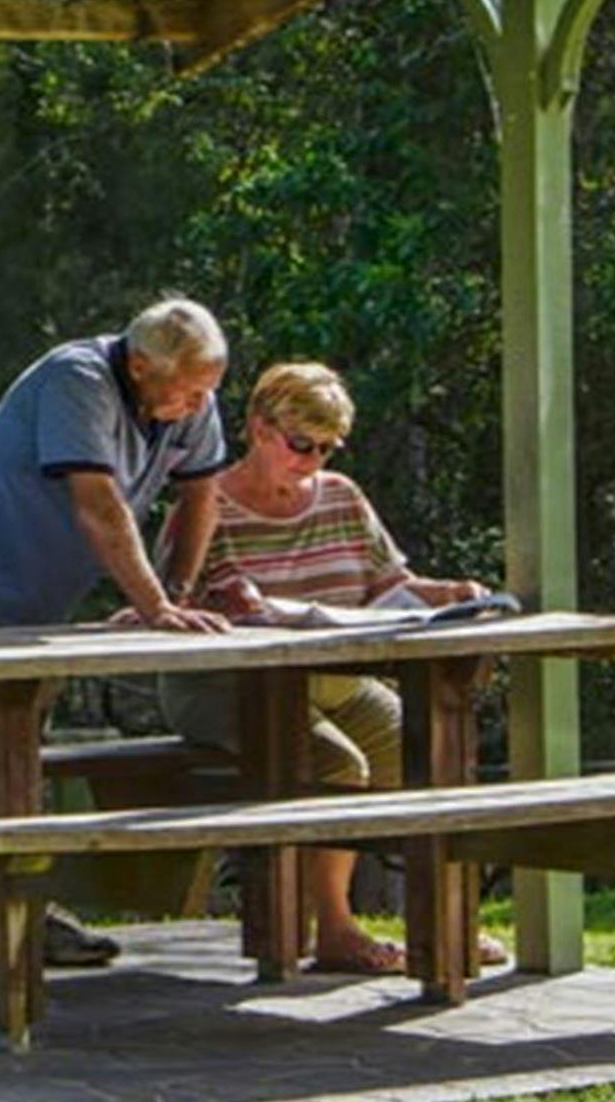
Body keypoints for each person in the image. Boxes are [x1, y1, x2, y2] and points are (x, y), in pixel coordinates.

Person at [0, 296, 234, 977]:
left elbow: (201, 496)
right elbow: (97, 503)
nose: (198, 405)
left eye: (207, 390)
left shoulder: (191, 398)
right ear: (138, 367)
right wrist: (154, 605)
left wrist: (175, 596)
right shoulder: (77, 380)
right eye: (188, 390)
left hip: (36, 607)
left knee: (18, 750)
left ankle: (21, 902)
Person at [153, 360, 504, 975]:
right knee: (337, 764)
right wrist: (219, 608)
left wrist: (450, 595)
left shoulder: (342, 497)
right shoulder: (208, 505)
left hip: (334, 676)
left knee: (429, 746)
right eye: (300, 444)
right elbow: (165, 606)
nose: (312, 459)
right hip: (227, 686)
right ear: (259, 429)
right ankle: (333, 929)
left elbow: (391, 583)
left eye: (326, 447)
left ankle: (443, 925)